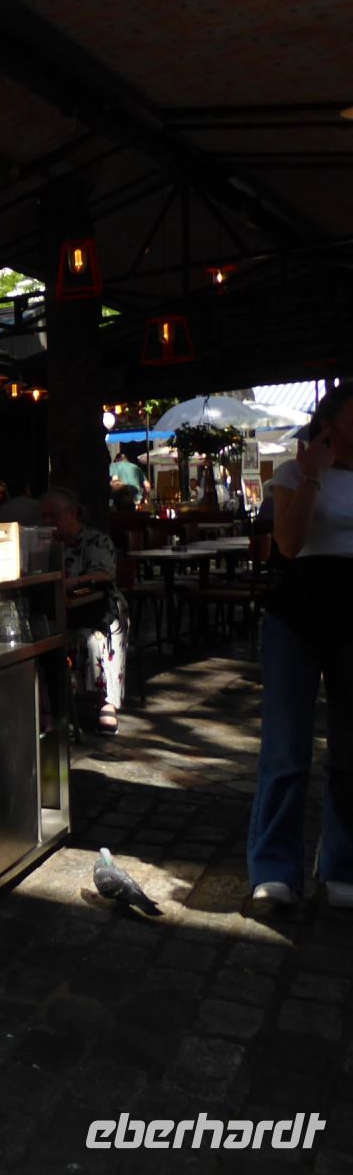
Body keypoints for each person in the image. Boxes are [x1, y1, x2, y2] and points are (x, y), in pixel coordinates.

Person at [248, 382, 353, 908]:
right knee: (286, 748)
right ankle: (275, 869)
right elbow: (289, 544)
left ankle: (341, 865)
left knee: (350, 750)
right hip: (296, 616)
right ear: (332, 424)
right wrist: (312, 473)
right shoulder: (294, 474)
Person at [40, 488, 129, 733]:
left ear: (72, 513)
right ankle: (53, 706)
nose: (47, 522)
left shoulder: (95, 540)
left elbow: (103, 575)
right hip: (62, 607)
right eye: (43, 517)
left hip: (100, 606)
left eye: (53, 516)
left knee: (92, 638)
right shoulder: (44, 545)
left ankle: (106, 702)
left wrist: (67, 583)